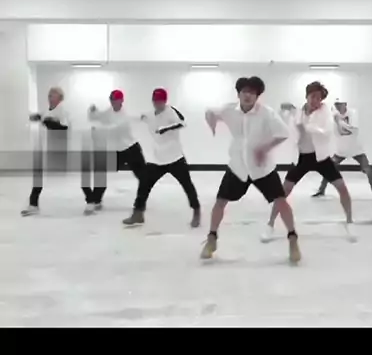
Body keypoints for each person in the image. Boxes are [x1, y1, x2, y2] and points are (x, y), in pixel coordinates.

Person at [200, 76, 301, 263]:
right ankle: (211, 239)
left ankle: (293, 239)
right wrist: (212, 123)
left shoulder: (267, 113)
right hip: (238, 166)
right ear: (238, 94)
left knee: (280, 202)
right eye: (244, 92)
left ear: (257, 96)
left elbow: (283, 133)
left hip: (262, 168)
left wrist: (264, 148)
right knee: (220, 202)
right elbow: (210, 112)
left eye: (252, 93)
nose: (248, 96)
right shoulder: (229, 110)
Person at [262, 82, 356, 242]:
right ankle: (270, 225)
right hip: (302, 158)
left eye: (319, 98)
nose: (316, 101)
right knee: (283, 192)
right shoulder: (298, 113)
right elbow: (288, 130)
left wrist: (306, 126)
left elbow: (325, 131)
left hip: (321, 158)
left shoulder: (325, 112)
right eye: (313, 97)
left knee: (342, 188)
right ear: (307, 96)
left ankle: (349, 222)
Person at [123, 88, 201, 228]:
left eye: (160, 101)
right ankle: (138, 213)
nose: (157, 103)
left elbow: (182, 123)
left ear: (165, 101)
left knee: (187, 185)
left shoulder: (171, 111)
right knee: (144, 184)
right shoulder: (150, 115)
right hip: (157, 159)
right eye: (155, 101)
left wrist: (165, 128)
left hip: (175, 157)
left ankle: (196, 211)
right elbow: (137, 118)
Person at [84, 90, 146, 215]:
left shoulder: (125, 115)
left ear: (121, 100)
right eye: (111, 100)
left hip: (131, 148)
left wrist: (144, 118)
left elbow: (114, 127)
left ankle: (141, 202)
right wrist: (92, 112)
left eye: (116, 100)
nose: (113, 102)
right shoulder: (109, 112)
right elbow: (98, 116)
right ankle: (96, 200)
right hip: (117, 151)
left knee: (143, 176)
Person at [312, 98, 372, 200]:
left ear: (345, 104)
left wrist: (339, 122)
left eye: (340, 104)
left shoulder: (352, 113)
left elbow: (354, 129)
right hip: (341, 150)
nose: (338, 107)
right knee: (328, 168)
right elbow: (337, 132)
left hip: (356, 149)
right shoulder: (333, 116)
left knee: (368, 170)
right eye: (336, 105)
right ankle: (321, 190)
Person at [21, 87, 70, 216]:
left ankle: (92, 199)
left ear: (59, 98)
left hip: (57, 151)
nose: (50, 98)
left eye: (53, 95)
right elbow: (43, 117)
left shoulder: (62, 110)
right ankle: (33, 204)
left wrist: (48, 122)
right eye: (49, 95)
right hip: (45, 148)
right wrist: (37, 117)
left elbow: (63, 127)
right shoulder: (48, 111)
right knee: (38, 175)